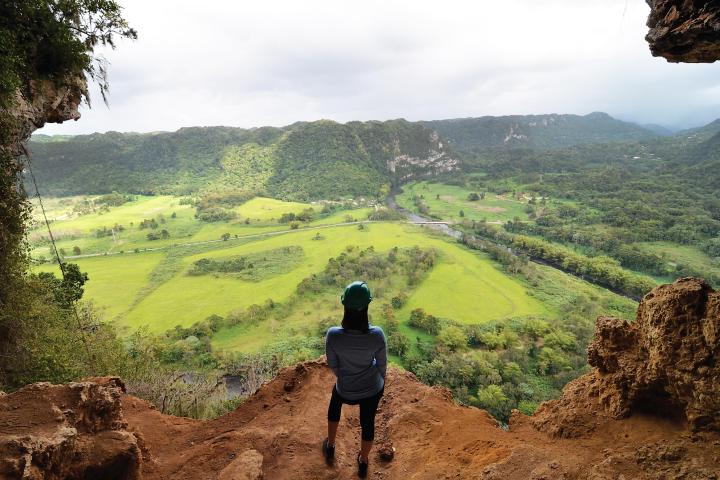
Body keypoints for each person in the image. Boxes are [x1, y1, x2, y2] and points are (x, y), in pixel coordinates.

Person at [323, 280, 387, 478]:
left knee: (335, 405)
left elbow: (333, 365)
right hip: (372, 389)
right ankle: (364, 460)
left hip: (345, 389)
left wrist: (346, 376)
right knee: (368, 423)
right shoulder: (377, 335)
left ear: (345, 306)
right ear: (367, 306)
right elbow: (382, 364)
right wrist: (380, 379)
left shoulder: (333, 335)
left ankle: (330, 445)